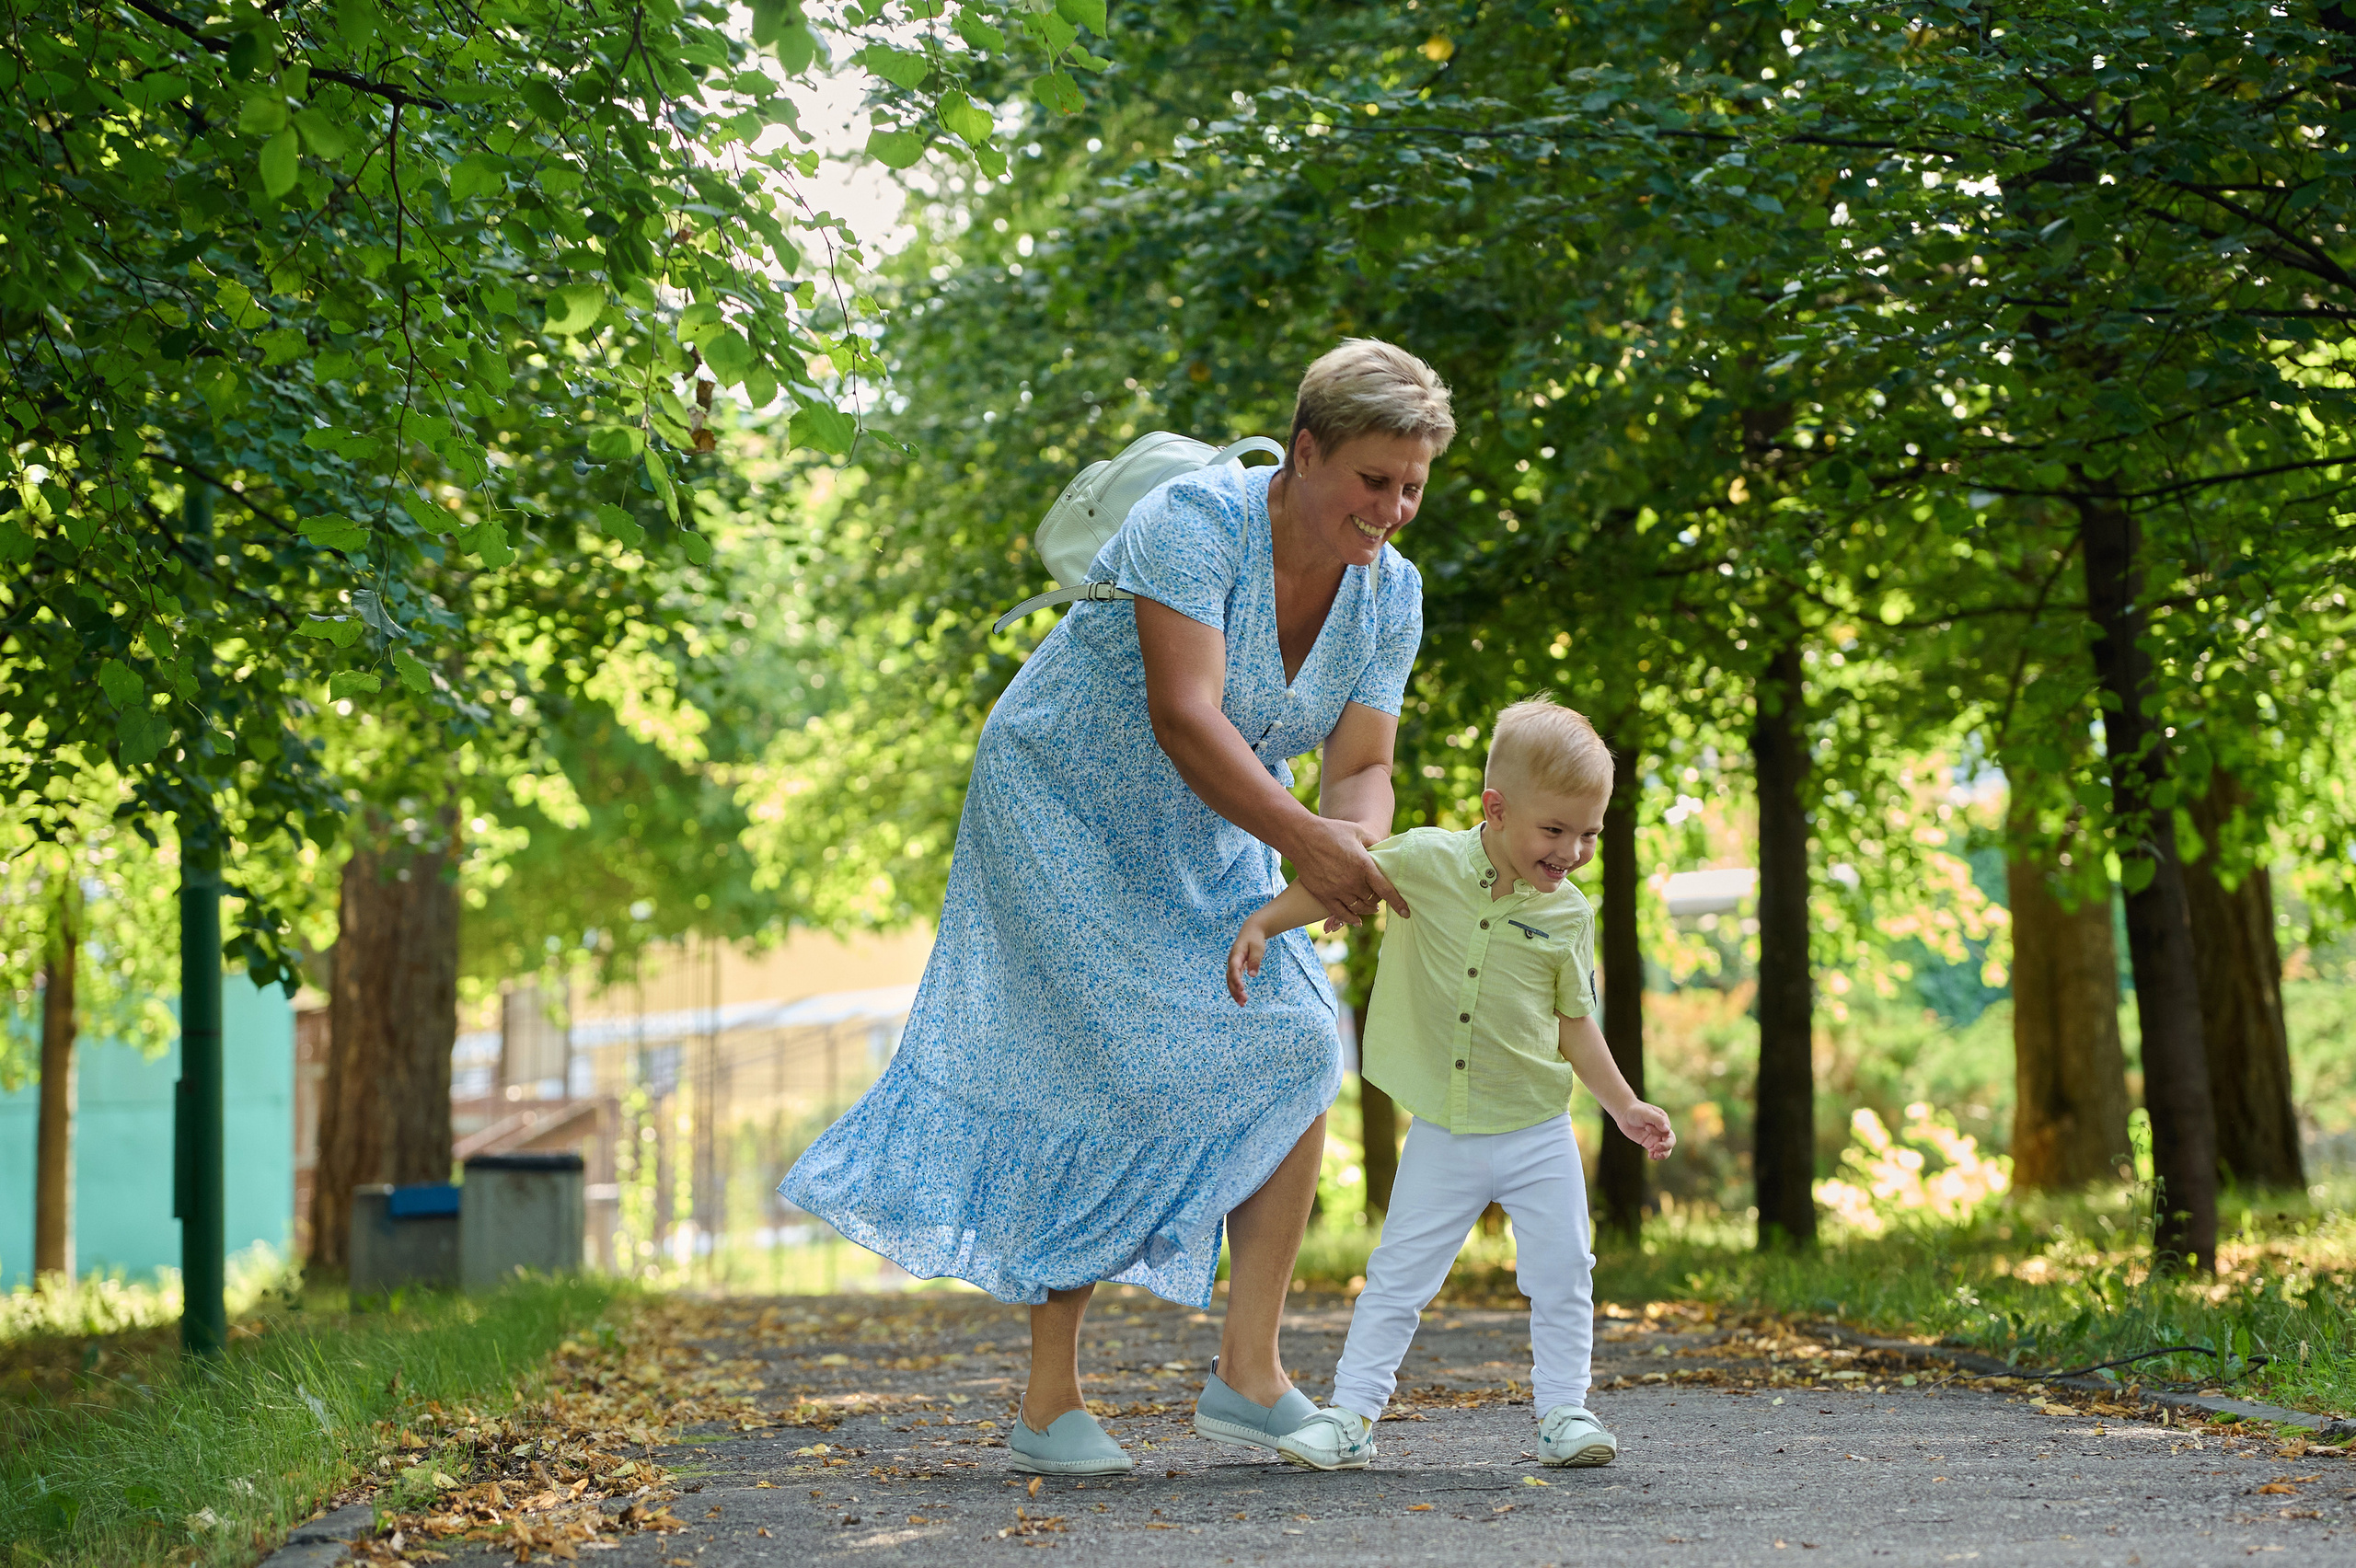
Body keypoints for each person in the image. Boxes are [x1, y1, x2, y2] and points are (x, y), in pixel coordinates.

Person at [780, 340, 1457, 1477]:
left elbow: (1363, 765)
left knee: (1298, 1039)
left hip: (1219, 823)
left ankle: (1248, 1376)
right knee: (1098, 1069)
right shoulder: (1196, 522)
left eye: (1412, 488)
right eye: (1373, 480)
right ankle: (1050, 1405)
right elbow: (1184, 715)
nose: (1390, 510)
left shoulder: (1392, 592)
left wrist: (1346, 853)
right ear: (1304, 453)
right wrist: (1305, 839)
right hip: (1064, 802)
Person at [1223, 696, 1677, 1471]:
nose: (1572, 852)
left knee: (1564, 1272)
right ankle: (1352, 1414)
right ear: (1496, 810)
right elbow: (1342, 880)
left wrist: (1624, 1104)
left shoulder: (1568, 917)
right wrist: (1266, 921)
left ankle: (1564, 1411)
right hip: (1444, 1129)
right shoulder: (1425, 861)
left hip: (1536, 1130)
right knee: (1396, 1279)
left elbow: (1574, 1024)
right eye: (1555, 830)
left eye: (1589, 834)